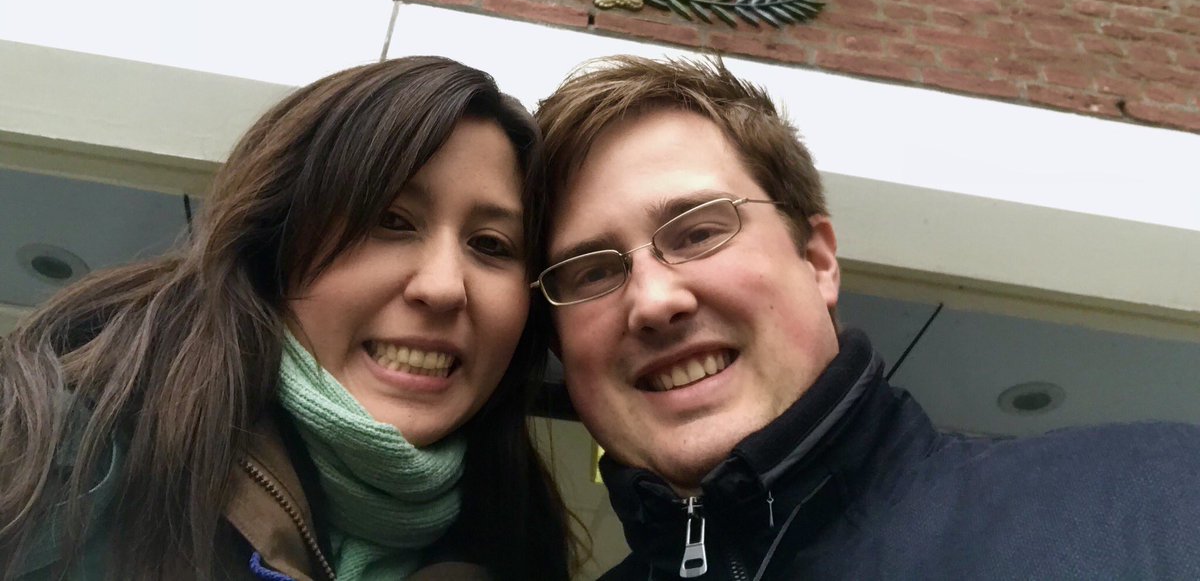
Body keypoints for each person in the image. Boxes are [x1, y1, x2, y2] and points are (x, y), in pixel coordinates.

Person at [532, 54, 1200, 581]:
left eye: (699, 231)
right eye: (590, 271)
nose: (653, 300)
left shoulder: (1160, 501)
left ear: (818, 259)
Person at [1, 56, 574, 581]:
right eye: (393, 221)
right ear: (273, 246)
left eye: (493, 245)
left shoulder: (519, 551)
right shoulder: (44, 456)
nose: (444, 287)